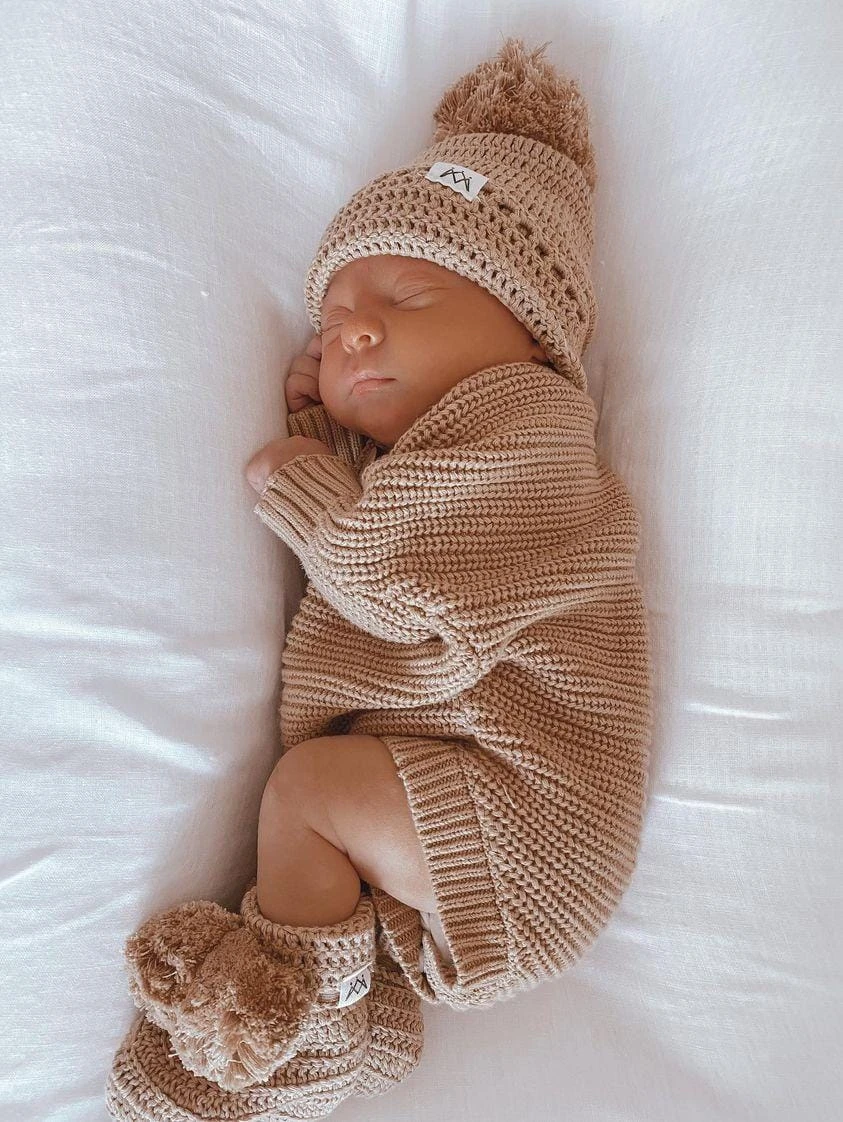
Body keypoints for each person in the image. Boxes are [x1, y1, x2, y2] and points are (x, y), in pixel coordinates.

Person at [106, 37, 653, 1122]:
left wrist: (303, 486)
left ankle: (297, 1054)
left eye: (407, 294)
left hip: (530, 821)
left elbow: (402, 578)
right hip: (471, 795)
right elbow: (396, 533)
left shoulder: (532, 439)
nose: (356, 329)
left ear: (531, 336)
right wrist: (329, 431)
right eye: (336, 316)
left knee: (310, 794)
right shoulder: (447, 453)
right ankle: (360, 1020)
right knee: (321, 803)